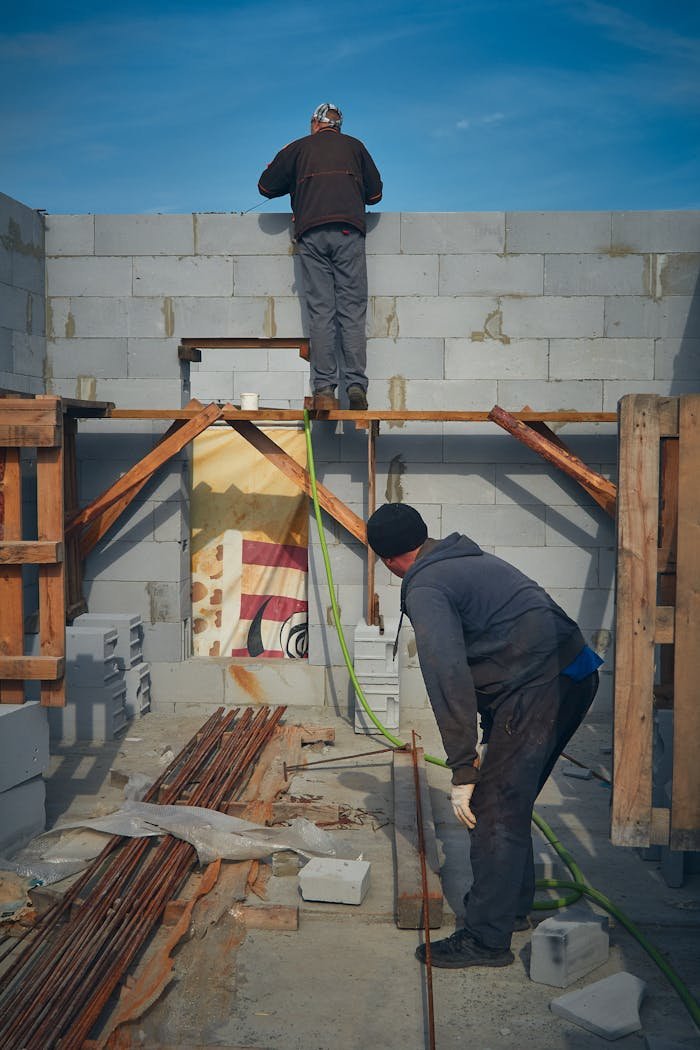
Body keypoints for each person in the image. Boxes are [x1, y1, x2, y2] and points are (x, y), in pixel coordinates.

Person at [365, 502, 602, 969]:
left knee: (489, 809)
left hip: (539, 686)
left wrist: (462, 768)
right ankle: (509, 909)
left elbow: (446, 675)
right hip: (572, 672)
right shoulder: (464, 559)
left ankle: (486, 940)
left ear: (388, 560)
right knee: (510, 803)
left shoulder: (428, 585)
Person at [258, 103, 382, 411]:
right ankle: (355, 386)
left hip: (312, 234)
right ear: (338, 125)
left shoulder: (299, 148)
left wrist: (285, 152)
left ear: (315, 123)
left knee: (321, 312)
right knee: (352, 311)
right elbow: (376, 195)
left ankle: (325, 389)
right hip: (348, 234)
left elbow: (265, 186)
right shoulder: (356, 147)